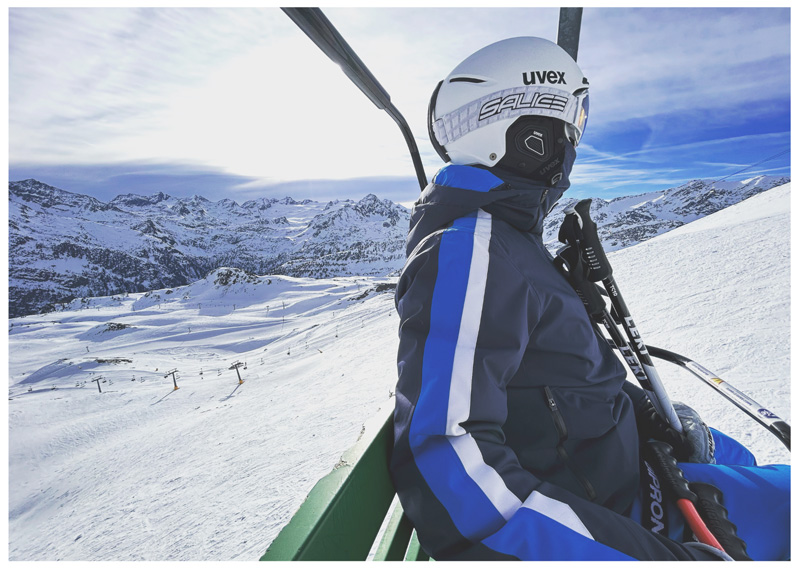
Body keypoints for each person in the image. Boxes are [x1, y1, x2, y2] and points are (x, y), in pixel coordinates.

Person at [390, 36, 789, 561]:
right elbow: (449, 454)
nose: (573, 142)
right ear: (529, 134)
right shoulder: (473, 248)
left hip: (626, 469)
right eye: (570, 122)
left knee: (743, 459)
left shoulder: (509, 240)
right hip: (617, 517)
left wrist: (641, 412)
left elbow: (554, 375)